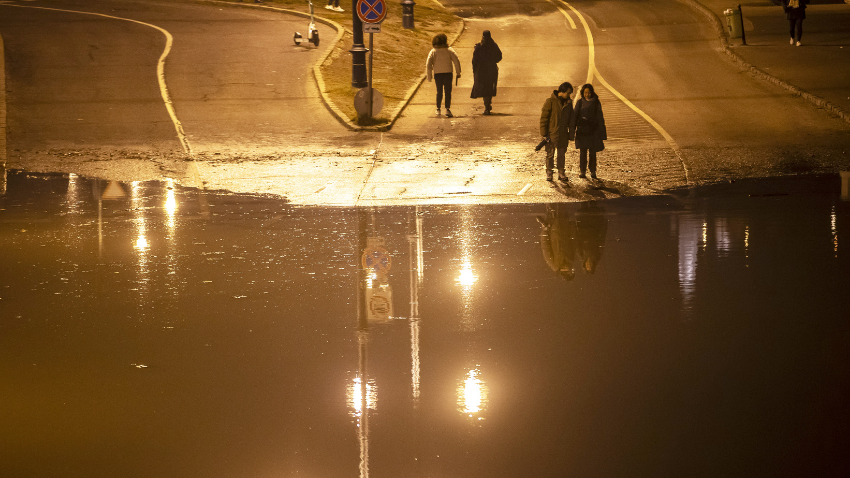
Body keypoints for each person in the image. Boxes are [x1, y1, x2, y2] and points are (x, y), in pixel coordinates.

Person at [539, 82, 575, 184]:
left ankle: (561, 172)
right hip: (551, 134)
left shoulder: (568, 104)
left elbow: (571, 120)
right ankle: (549, 172)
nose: (569, 95)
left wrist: (571, 134)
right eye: (568, 93)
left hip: (563, 134)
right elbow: (544, 119)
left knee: (561, 155)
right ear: (561, 92)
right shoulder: (550, 102)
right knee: (550, 155)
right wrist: (544, 134)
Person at [571, 84, 607, 180]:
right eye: (586, 92)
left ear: (592, 92)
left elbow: (600, 117)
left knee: (592, 153)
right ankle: (582, 171)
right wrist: (572, 130)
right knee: (583, 152)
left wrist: (602, 132)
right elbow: (574, 117)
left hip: (593, 131)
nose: (587, 94)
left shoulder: (596, 103)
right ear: (583, 93)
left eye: (589, 92)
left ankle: (593, 171)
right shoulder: (579, 103)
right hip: (582, 131)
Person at [537, 203, 577, 281]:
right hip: (564, 226)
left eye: (567, 271)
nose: (567, 268)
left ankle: (549, 192)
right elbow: (573, 241)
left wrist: (545, 231)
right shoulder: (571, 259)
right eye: (570, 270)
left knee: (551, 206)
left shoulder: (554, 264)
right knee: (562, 205)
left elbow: (545, 247)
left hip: (552, 228)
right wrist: (572, 227)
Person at [426, 33, 461, 118]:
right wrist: (458, 72)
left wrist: (429, 76)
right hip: (448, 73)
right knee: (448, 91)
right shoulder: (449, 50)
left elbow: (428, 64)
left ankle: (438, 108)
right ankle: (447, 109)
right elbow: (456, 60)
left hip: (438, 74)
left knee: (439, 91)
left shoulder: (433, 51)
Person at [470, 30, 502, 115]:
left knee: (484, 88)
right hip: (491, 69)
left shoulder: (479, 47)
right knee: (489, 87)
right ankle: (488, 105)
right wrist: (493, 61)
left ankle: (487, 106)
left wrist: (475, 69)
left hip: (481, 71)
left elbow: (474, 60)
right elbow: (499, 56)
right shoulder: (494, 45)